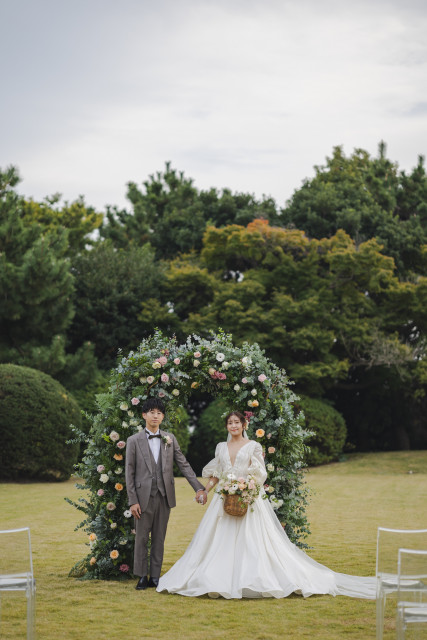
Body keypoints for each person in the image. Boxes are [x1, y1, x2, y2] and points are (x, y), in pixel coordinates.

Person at [157, 410, 376, 599]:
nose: (233, 426)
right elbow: (216, 473)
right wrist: (205, 490)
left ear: (244, 425)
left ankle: (254, 578)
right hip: (224, 499)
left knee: (253, 540)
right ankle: (216, 578)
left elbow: (260, 472)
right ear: (227, 426)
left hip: (248, 498)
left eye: (237, 422)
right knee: (216, 540)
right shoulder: (221, 446)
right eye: (230, 423)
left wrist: (246, 488)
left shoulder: (253, 445)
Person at [125, 397, 207, 590]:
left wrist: (198, 487)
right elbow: (129, 472)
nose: (155, 416)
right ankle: (141, 576)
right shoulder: (133, 441)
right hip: (142, 498)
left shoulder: (169, 439)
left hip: (164, 496)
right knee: (141, 538)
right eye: (152, 412)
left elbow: (183, 464)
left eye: (159, 413)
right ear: (144, 415)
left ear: (162, 417)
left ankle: (155, 576)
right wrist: (132, 500)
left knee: (159, 538)